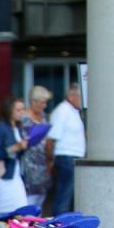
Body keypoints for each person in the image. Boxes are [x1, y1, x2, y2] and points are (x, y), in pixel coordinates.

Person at [46, 83, 85, 215]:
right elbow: (51, 139)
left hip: (73, 157)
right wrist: (50, 159)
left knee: (69, 195)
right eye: (80, 97)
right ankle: (59, 227)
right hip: (66, 157)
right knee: (64, 195)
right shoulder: (62, 111)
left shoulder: (74, 112)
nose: (83, 100)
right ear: (71, 96)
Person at [0, 96, 29, 213]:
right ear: (9, 111)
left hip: (15, 173)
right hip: (4, 175)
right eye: (18, 110)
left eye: (22, 109)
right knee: (6, 210)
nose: (21, 113)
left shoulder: (18, 127)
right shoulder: (0, 127)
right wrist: (16, 147)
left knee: (22, 210)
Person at [21, 85, 52, 207]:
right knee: (29, 199)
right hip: (29, 161)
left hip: (43, 162)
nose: (44, 106)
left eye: (45, 103)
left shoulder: (44, 116)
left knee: (41, 198)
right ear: (33, 101)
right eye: (41, 103)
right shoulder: (24, 117)